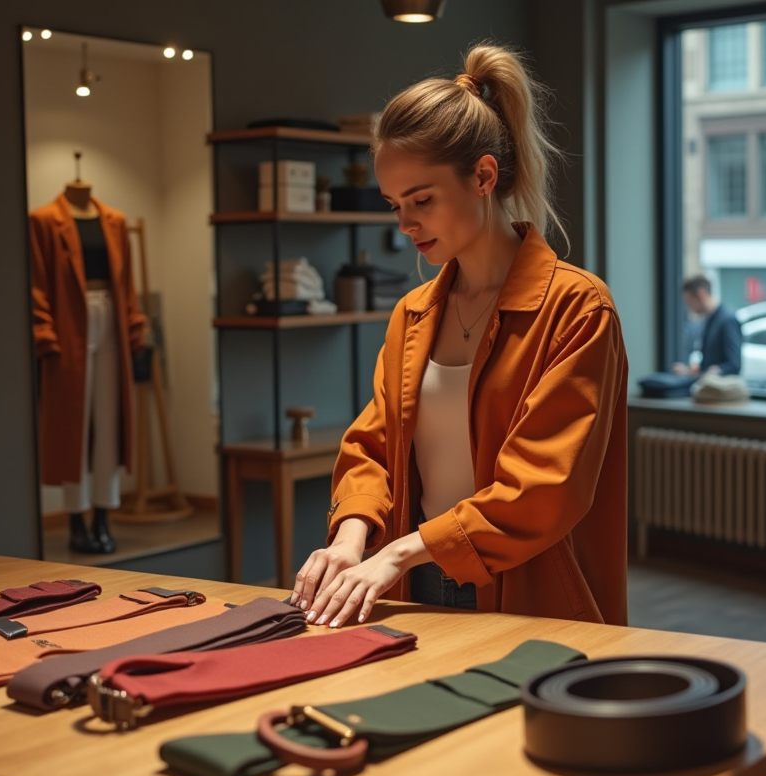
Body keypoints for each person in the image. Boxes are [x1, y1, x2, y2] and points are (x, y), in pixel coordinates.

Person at [289, 43, 629, 629]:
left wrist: (395, 552)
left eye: (422, 200)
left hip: (527, 590)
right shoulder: (414, 313)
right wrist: (351, 539)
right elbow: (371, 448)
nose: (406, 224)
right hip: (412, 582)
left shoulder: (577, 308)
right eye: (395, 204)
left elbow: (543, 488)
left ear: (483, 176)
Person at [672, 275, 742, 376]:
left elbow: (734, 364)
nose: (689, 307)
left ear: (701, 295)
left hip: (722, 389)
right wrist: (693, 370)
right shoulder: (709, 320)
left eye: (690, 302)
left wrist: (716, 371)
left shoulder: (727, 319)